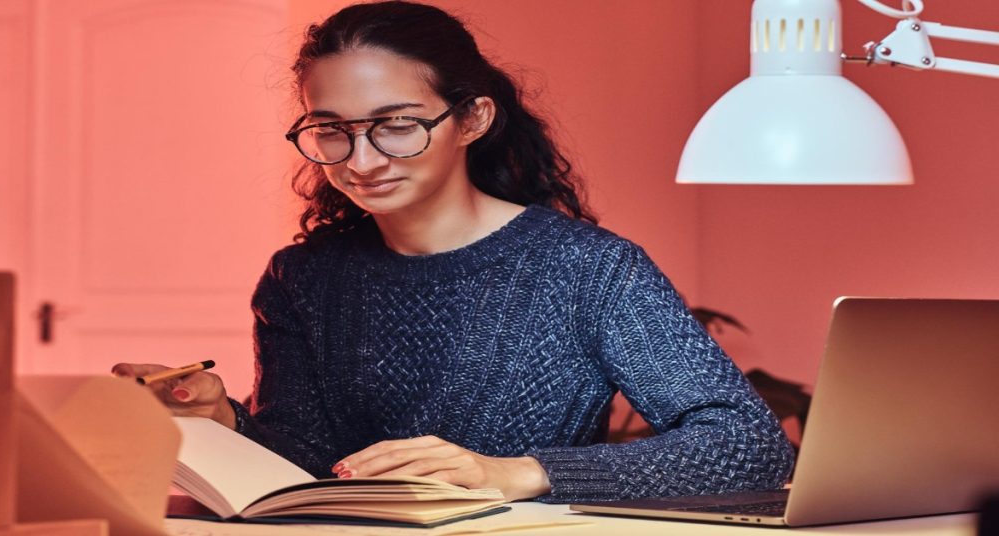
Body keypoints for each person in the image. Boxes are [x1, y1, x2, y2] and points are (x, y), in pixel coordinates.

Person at [113, 0, 794, 503]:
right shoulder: (303, 278)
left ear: (471, 118)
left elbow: (750, 447)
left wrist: (520, 471)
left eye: (396, 126)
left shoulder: (589, 269)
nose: (363, 160)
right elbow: (309, 466)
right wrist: (222, 417)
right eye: (332, 132)